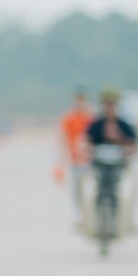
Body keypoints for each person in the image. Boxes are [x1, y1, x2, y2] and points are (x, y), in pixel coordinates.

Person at [85, 86, 138, 239]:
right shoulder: (96, 125)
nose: (109, 108)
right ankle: (91, 221)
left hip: (118, 166)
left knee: (127, 190)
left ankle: (126, 221)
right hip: (99, 165)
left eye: (112, 104)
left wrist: (119, 139)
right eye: (106, 104)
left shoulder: (124, 125)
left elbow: (133, 145)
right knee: (91, 190)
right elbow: (87, 141)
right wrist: (88, 150)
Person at [61, 88, 95, 228]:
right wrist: (61, 161)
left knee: (90, 188)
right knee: (76, 188)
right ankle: (79, 215)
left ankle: (90, 213)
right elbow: (63, 138)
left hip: (90, 160)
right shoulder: (69, 117)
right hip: (75, 159)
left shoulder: (90, 117)